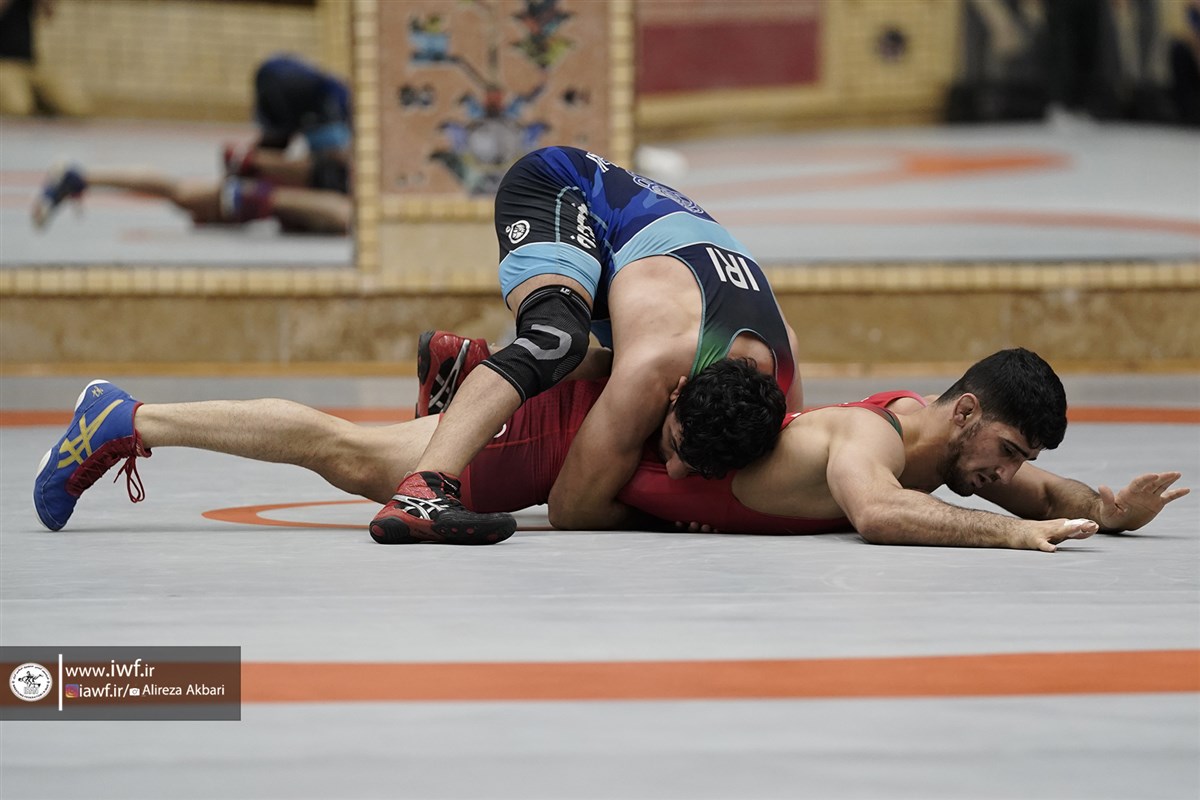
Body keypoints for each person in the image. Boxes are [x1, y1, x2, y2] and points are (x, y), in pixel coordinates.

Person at [32, 349, 1187, 552]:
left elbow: (1027, 487)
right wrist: (1012, 536)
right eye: (1007, 450)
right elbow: (880, 515)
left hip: (609, 440)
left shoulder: (947, 445)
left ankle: (472, 365)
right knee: (349, 454)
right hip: (571, 447)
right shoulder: (870, 441)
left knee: (357, 453)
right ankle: (130, 418)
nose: (1004, 477)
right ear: (967, 408)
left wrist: (1101, 505)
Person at [371, 145, 803, 545]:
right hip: (561, 186)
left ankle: (473, 365)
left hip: (639, 259)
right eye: (675, 445)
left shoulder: (784, 380)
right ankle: (424, 490)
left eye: (697, 470)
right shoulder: (657, 360)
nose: (674, 471)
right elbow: (571, 507)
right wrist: (668, 516)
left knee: (620, 376)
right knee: (556, 340)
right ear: (678, 390)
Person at [31, 54, 351, 234]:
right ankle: (81, 177)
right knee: (345, 209)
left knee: (184, 193)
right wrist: (249, 171)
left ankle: (82, 176)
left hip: (296, 193)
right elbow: (327, 167)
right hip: (307, 192)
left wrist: (247, 171)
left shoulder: (332, 111)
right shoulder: (333, 118)